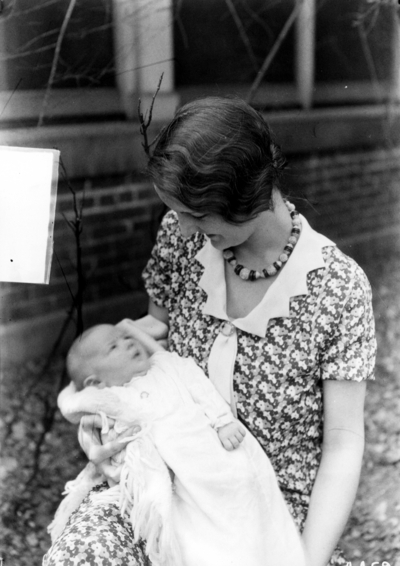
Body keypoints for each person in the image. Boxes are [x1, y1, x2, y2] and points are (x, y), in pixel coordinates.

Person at [44, 96, 376, 566]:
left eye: (196, 216)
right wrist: (97, 408)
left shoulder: (337, 289)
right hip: (163, 484)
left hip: (267, 510)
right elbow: (152, 335)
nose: (180, 231)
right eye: (177, 214)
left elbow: (344, 441)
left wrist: (307, 559)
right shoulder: (182, 242)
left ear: (249, 197)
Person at [45, 321, 305, 566]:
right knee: (196, 534)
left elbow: (199, 386)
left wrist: (222, 420)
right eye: (114, 347)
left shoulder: (165, 365)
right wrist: (72, 401)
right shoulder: (114, 398)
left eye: (126, 338)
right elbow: (75, 405)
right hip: (183, 480)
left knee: (247, 510)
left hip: (221, 458)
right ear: (96, 383)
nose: (128, 343)